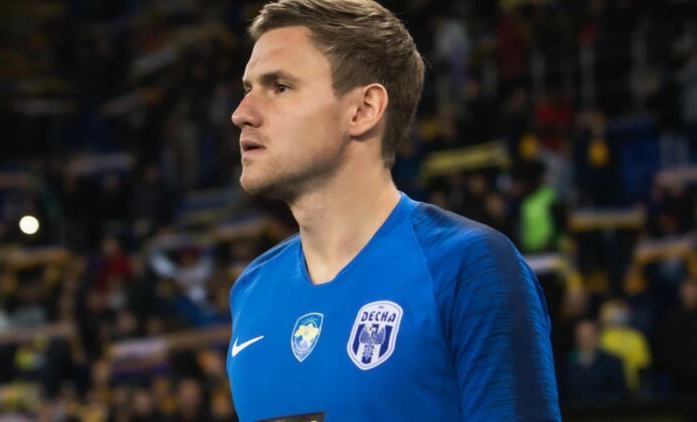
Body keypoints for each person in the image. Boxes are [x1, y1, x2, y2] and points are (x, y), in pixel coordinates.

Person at [226, 0, 561, 420]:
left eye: (279, 87)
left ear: (364, 109)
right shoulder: (251, 291)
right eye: (248, 89)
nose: (242, 114)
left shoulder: (467, 266)